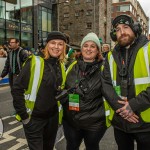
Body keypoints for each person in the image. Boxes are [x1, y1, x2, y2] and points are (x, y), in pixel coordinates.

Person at [101, 14, 150, 150]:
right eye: (117, 29)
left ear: (135, 29)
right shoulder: (111, 56)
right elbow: (105, 84)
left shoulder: (148, 50)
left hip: (145, 124)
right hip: (120, 123)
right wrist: (121, 108)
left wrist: (132, 105)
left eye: (126, 27)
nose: (122, 32)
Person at [11, 31, 67, 150]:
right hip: (34, 119)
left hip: (52, 119)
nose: (56, 47)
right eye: (53, 43)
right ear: (47, 45)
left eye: (60, 44)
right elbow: (17, 89)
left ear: (64, 47)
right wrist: (24, 117)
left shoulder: (61, 65)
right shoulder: (34, 62)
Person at [61, 32, 106, 150]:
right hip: (71, 121)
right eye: (86, 45)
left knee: (92, 147)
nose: (89, 49)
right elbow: (62, 87)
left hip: (94, 123)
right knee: (71, 146)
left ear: (97, 51)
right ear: (81, 48)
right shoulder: (71, 65)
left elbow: (111, 92)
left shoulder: (104, 68)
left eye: (93, 46)